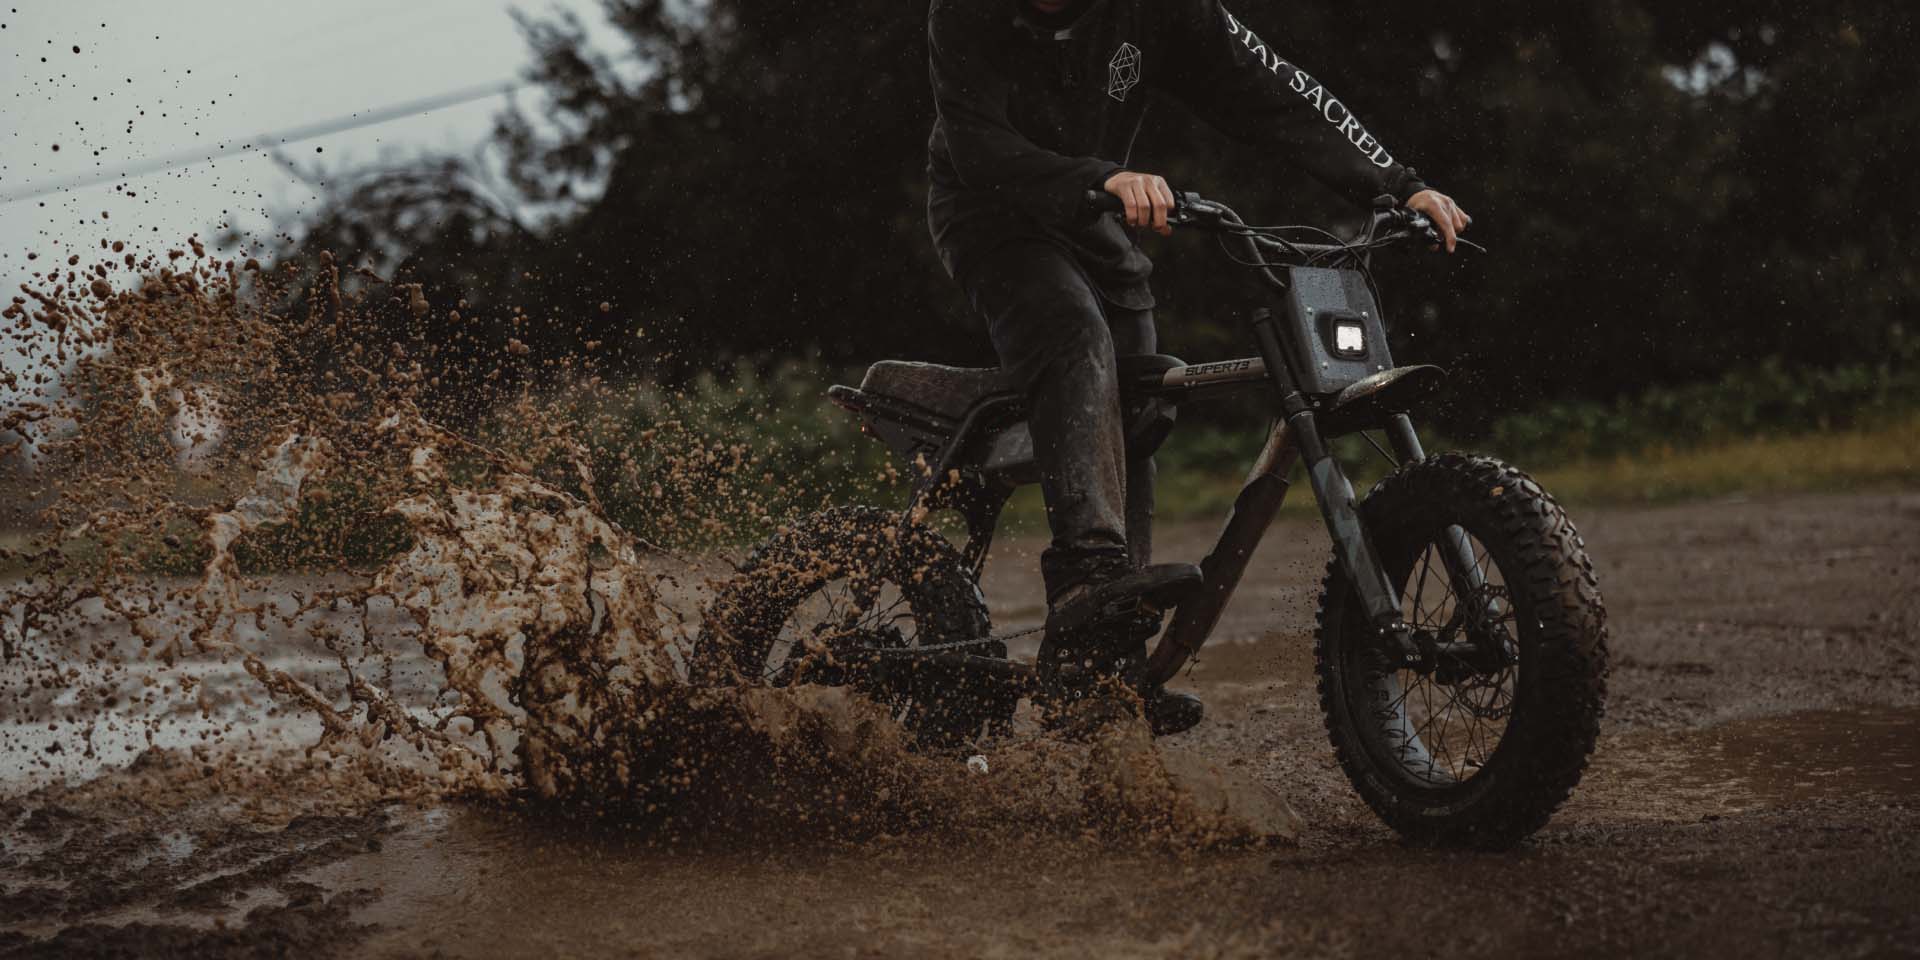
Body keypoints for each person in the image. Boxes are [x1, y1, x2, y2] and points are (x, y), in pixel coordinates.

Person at [924, 0, 1472, 710]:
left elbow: (1274, 88)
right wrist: (1104, 177)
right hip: (989, 215)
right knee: (1072, 331)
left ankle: (1103, 669)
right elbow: (976, 144)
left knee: (1140, 400)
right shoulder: (965, 11)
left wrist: (1397, 183)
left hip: (1095, 218)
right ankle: (1085, 576)